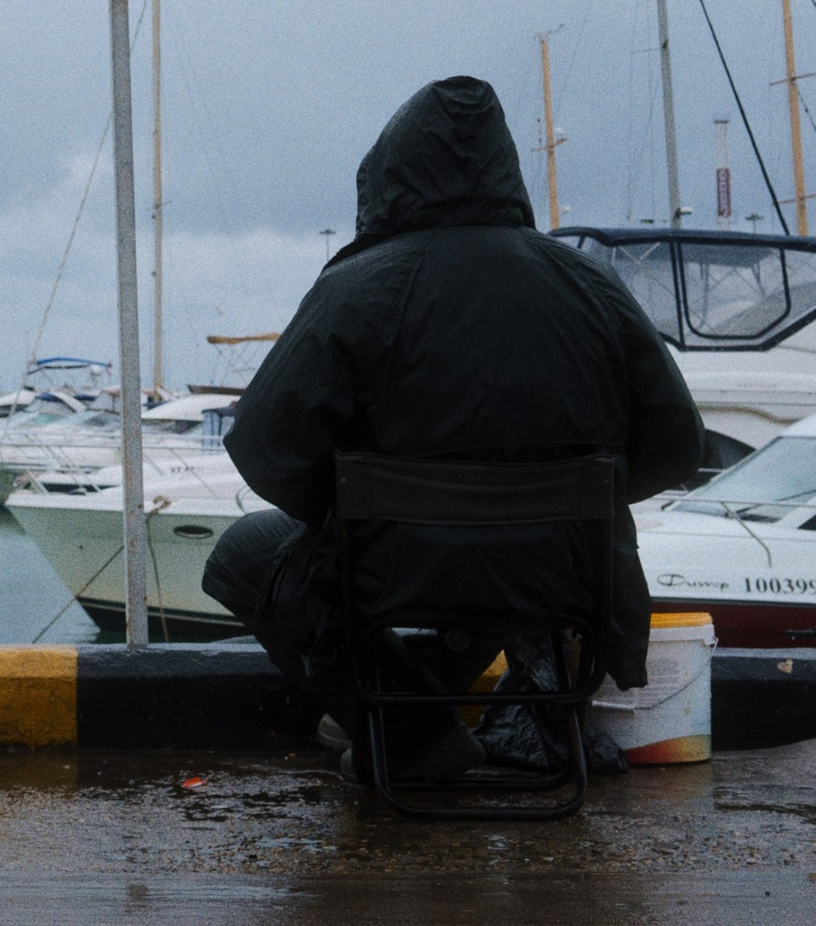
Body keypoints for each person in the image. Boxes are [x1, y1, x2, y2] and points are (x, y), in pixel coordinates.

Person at [202, 75, 701, 778]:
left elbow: (266, 451)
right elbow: (677, 445)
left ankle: (411, 734)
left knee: (241, 552)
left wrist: (347, 510)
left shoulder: (357, 287)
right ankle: (424, 708)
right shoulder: (591, 284)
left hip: (393, 572)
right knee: (497, 562)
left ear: (391, 173)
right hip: (562, 580)